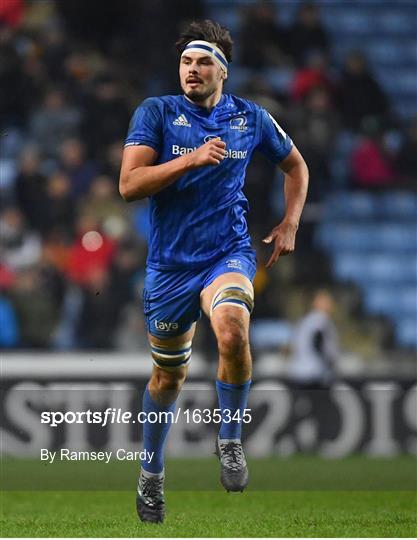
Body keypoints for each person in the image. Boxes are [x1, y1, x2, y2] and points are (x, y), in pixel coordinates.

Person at [119, 19, 309, 523]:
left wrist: (290, 222)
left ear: (223, 71)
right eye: (186, 62)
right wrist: (191, 161)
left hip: (227, 253)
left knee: (231, 333)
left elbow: (296, 166)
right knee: (167, 376)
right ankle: (151, 474)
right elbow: (130, 185)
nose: (192, 70)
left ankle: (229, 440)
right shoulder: (156, 112)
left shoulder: (250, 118)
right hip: (169, 268)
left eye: (203, 62)